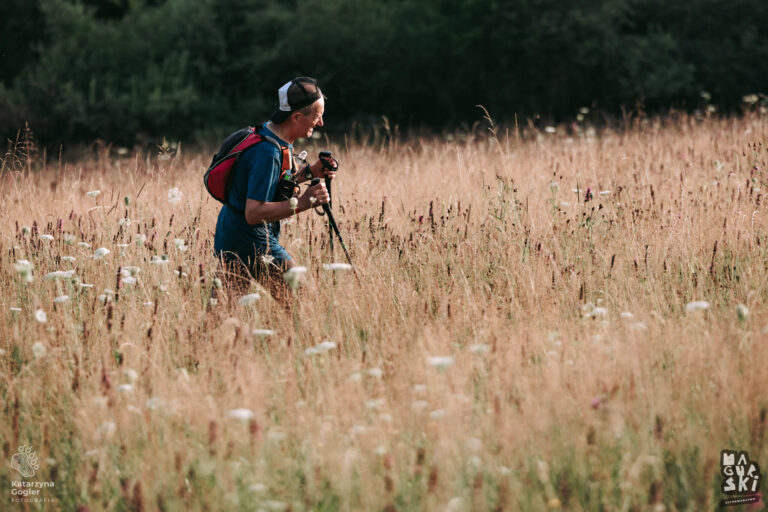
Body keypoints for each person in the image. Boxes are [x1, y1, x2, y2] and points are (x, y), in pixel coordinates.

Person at [214, 76, 335, 293]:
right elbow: (253, 212)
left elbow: (272, 186)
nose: (321, 123)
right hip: (252, 241)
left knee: (221, 313)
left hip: (230, 236)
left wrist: (310, 172)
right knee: (302, 304)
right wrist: (306, 202)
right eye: (317, 117)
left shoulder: (267, 134)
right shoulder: (268, 152)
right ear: (297, 117)